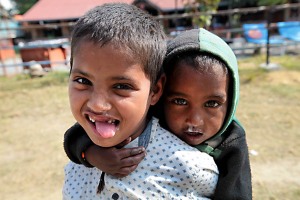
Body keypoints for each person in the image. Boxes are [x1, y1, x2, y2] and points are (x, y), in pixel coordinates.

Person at [64, 27, 252, 200]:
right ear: (157, 93)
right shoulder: (144, 116)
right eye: (179, 101)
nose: (195, 120)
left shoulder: (232, 141)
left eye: (212, 103)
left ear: (231, 99)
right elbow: (75, 136)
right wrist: (92, 154)